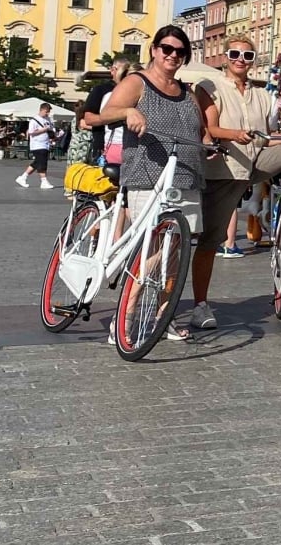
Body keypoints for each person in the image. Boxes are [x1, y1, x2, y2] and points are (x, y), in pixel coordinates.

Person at [92, 25, 206, 342]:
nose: (172, 55)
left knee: (175, 258)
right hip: (147, 176)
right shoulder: (136, 82)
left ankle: (163, 316)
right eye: (166, 49)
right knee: (151, 253)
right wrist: (128, 110)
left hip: (187, 176)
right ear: (154, 50)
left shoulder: (187, 92)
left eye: (179, 51)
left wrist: (210, 145)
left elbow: (201, 130)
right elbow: (106, 113)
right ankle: (124, 317)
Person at [192, 37, 277, 328]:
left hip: (252, 166)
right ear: (226, 57)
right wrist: (234, 134)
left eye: (247, 54)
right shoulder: (210, 86)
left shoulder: (263, 94)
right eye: (234, 53)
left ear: (254, 58)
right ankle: (200, 305)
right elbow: (209, 127)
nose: (241, 59)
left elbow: (271, 133)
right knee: (209, 239)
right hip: (223, 170)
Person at [80, 58, 132, 165]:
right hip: (104, 146)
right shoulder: (102, 90)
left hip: (131, 146)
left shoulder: (136, 90)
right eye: (124, 71)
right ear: (113, 70)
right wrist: (115, 116)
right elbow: (88, 119)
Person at [16, 103, 57, 189]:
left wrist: (52, 133)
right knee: (42, 162)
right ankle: (43, 181)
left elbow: (52, 128)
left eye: (48, 112)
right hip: (37, 144)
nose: (47, 114)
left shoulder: (48, 119)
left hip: (46, 144)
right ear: (42, 110)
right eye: (46, 112)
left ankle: (23, 177)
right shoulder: (34, 120)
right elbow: (31, 132)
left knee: (37, 162)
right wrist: (42, 130)